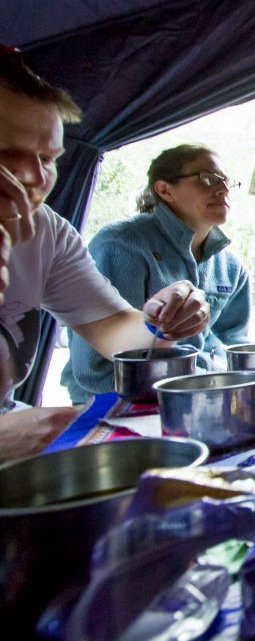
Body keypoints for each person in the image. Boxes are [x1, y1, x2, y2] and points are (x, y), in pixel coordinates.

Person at [0, 47, 209, 461]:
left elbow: (112, 328)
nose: (34, 177)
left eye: (47, 159)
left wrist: (161, 321)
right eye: (5, 153)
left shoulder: (46, 232)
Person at [62, 143, 249, 403]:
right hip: (114, 402)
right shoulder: (122, 245)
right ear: (165, 190)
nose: (224, 189)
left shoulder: (231, 267)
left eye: (227, 181)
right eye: (208, 179)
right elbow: (95, 369)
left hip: (199, 395)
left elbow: (233, 345)